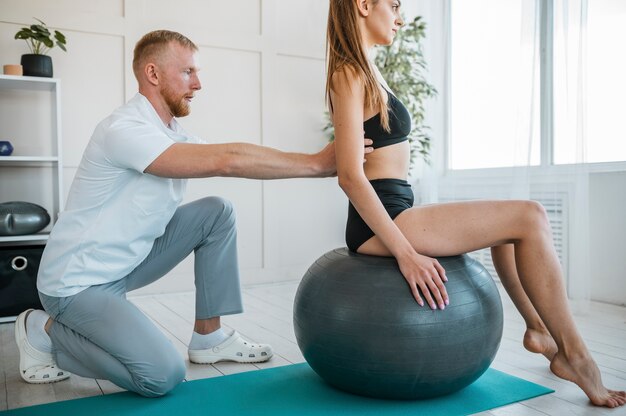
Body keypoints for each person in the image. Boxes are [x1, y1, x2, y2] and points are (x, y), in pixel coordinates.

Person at [14, 29, 372, 397]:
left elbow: (242, 159)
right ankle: (44, 332)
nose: (198, 83)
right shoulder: (124, 130)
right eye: (188, 72)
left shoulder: (172, 134)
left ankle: (210, 336)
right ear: (152, 74)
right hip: (76, 284)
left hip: (124, 266)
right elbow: (227, 160)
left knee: (217, 212)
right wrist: (316, 164)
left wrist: (327, 162)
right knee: (160, 375)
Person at [325, 0, 625, 409]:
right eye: (394, 4)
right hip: (382, 219)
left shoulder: (370, 69)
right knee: (530, 215)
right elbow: (349, 175)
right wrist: (406, 253)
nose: (400, 16)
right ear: (363, 5)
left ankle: (538, 330)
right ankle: (577, 356)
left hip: (400, 206)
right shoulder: (348, 72)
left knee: (508, 225)